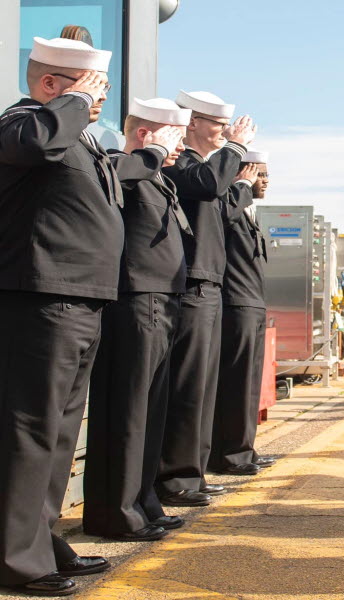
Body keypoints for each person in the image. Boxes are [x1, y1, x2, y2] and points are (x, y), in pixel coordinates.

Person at [0, 36, 116, 596]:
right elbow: (30, 145)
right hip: (41, 296)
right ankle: (15, 558)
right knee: (30, 431)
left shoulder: (71, 132)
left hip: (80, 297)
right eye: (91, 88)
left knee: (61, 433)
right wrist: (69, 105)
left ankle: (42, 540)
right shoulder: (24, 122)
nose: (98, 99)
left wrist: (75, 111)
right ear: (51, 85)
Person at [83, 98, 191, 543]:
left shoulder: (156, 174)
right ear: (147, 134)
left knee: (149, 410)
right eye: (175, 137)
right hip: (135, 300)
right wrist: (151, 154)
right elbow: (117, 177)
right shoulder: (117, 162)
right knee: (126, 410)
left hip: (163, 302)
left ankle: (143, 500)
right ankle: (116, 512)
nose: (180, 147)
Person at [158, 91, 256, 502]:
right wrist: (235, 148)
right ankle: (176, 477)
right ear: (193, 123)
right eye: (217, 125)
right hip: (192, 283)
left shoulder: (207, 168)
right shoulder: (183, 164)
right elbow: (212, 185)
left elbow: (224, 204)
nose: (225, 133)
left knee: (203, 386)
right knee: (187, 386)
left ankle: (192, 472)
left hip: (210, 283)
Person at [210, 149, 277, 475]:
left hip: (251, 304)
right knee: (235, 383)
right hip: (235, 304)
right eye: (259, 174)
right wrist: (239, 186)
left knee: (249, 383)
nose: (265, 181)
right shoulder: (229, 205)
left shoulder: (248, 212)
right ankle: (230, 454)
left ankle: (243, 449)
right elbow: (221, 221)